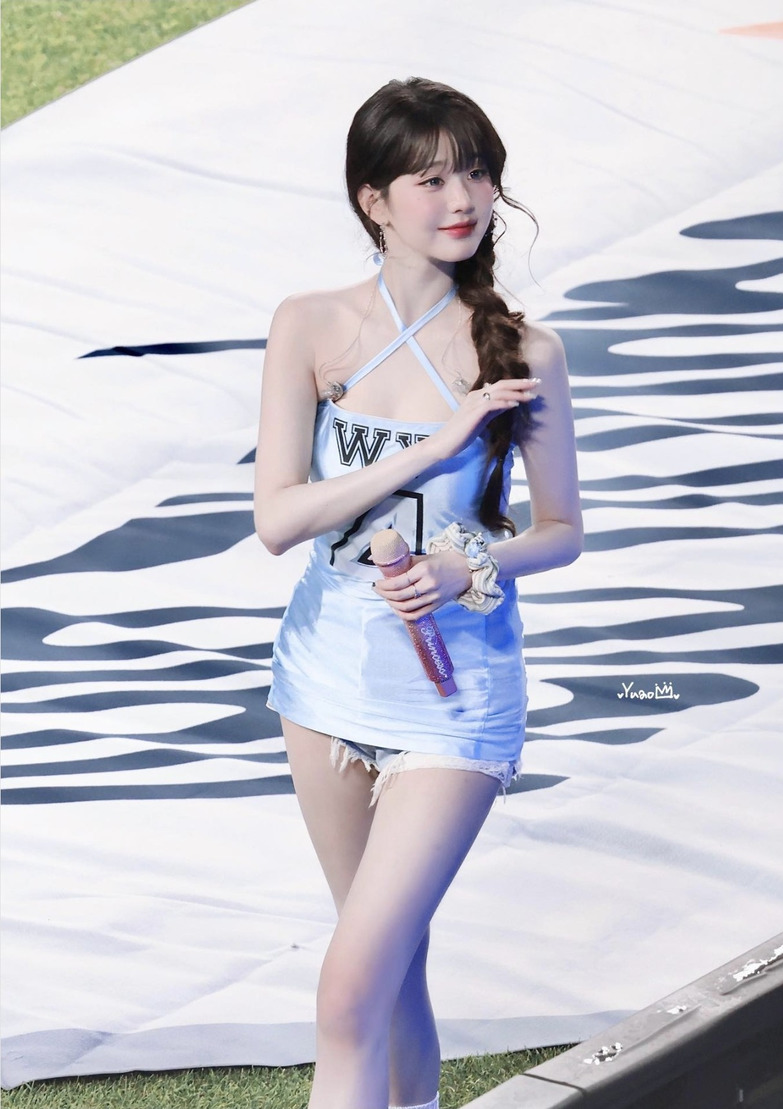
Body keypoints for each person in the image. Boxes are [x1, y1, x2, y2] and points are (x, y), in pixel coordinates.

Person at [254, 77, 582, 1109]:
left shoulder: (525, 351)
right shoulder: (308, 325)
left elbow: (562, 532)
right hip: (322, 677)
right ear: (373, 199)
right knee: (388, 966)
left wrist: (462, 567)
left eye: (476, 173)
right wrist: (432, 448)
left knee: (350, 986)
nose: (463, 198)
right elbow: (278, 519)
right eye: (431, 178)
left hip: (454, 694)